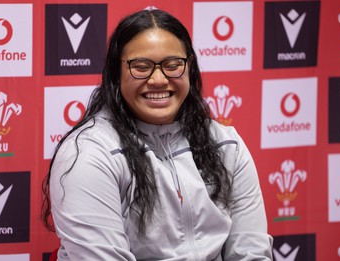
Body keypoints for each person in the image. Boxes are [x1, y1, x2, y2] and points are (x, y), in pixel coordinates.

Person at [41, 9, 273, 260]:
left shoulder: (226, 144)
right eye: (141, 67)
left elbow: (252, 253)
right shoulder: (88, 154)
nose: (159, 79)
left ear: (189, 69)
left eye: (173, 65)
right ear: (115, 75)